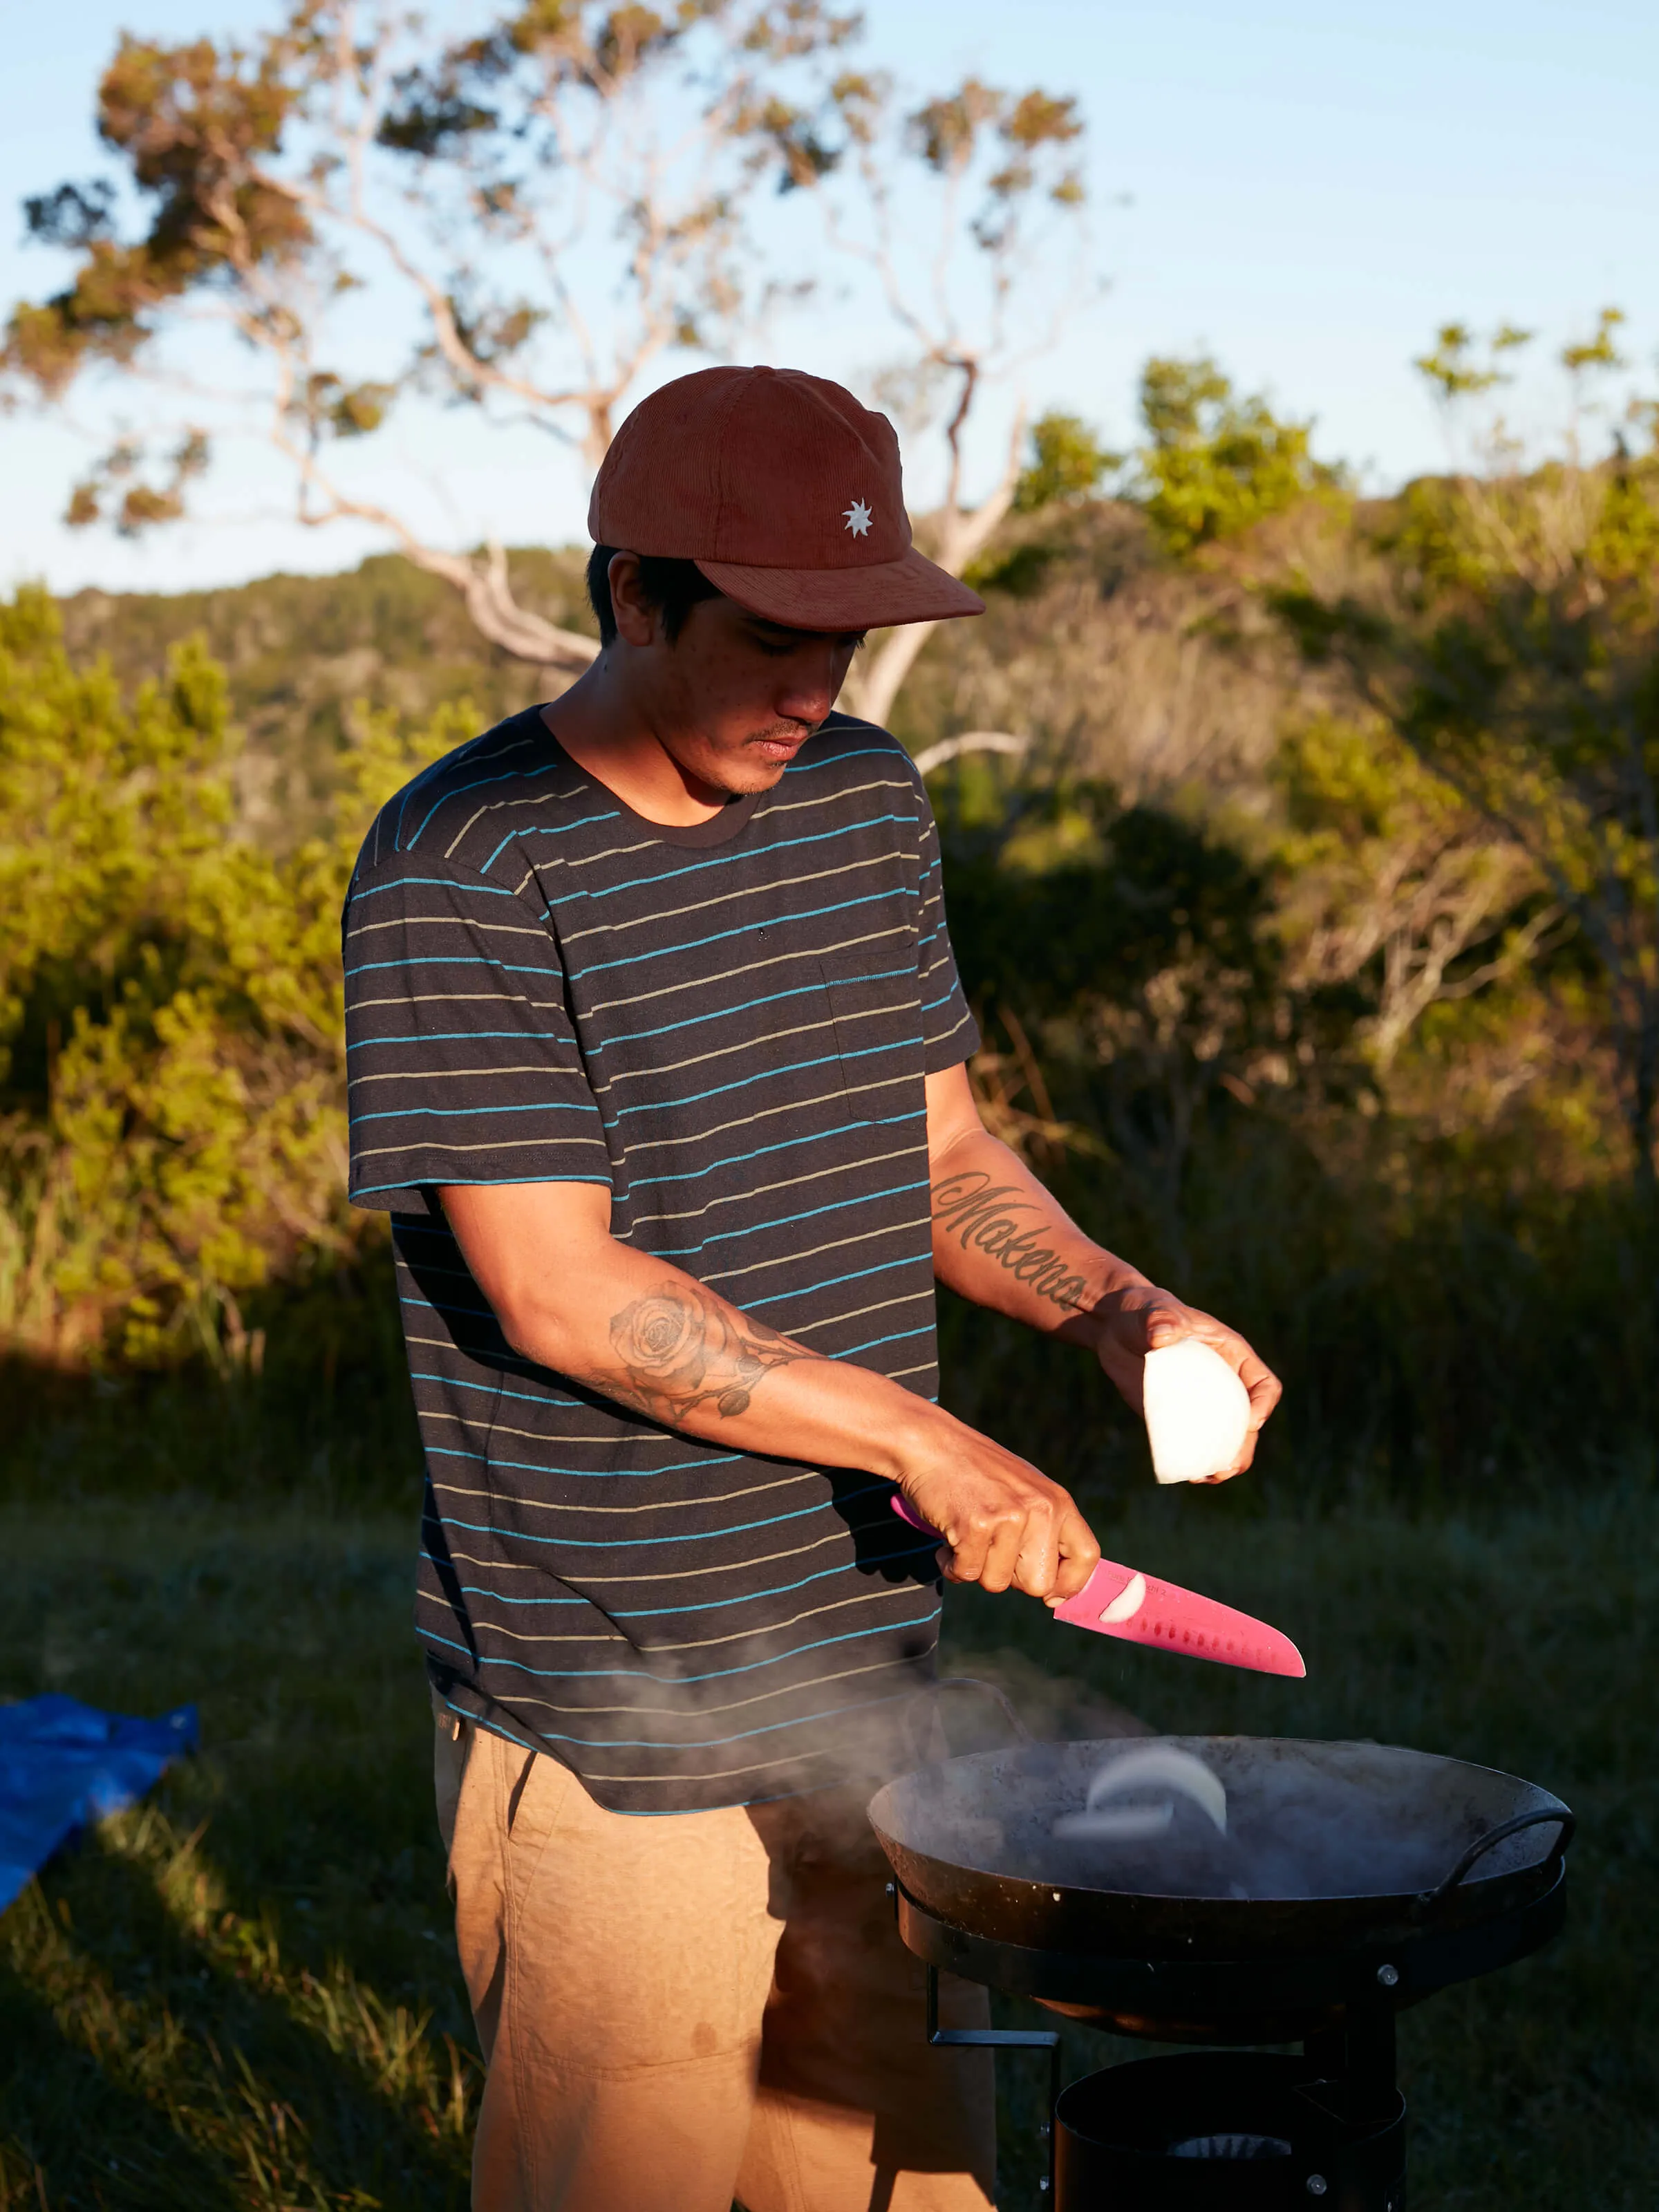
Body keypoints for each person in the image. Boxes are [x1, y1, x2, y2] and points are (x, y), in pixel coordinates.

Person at [341, 364, 1280, 2212]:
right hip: (621, 1710)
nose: (814, 692)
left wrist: (1120, 1314)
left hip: (878, 1675)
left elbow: (937, 1153)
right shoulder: (462, 864)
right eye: (775, 639)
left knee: (912, 2188)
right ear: (634, 595)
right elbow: (557, 1288)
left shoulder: (861, 799)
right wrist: (927, 1440)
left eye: (847, 643)